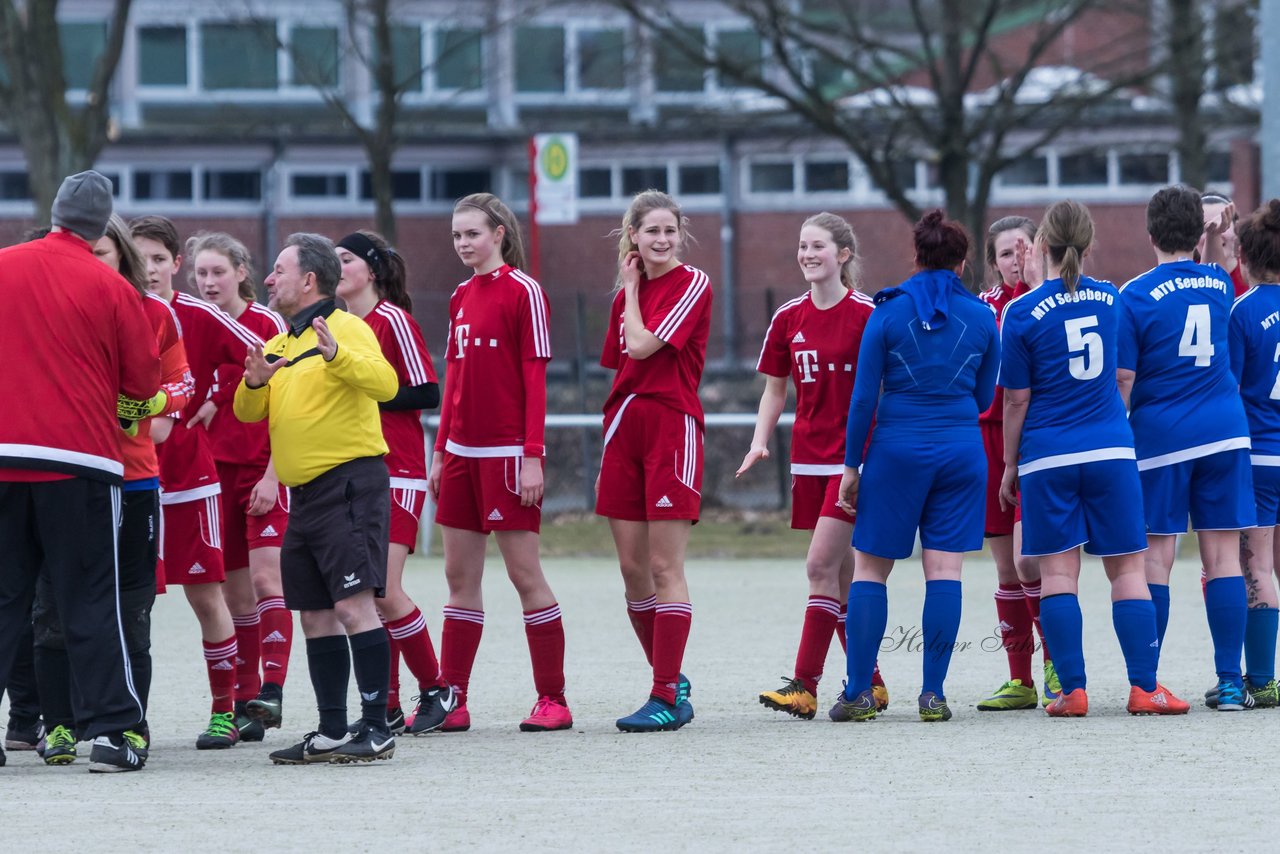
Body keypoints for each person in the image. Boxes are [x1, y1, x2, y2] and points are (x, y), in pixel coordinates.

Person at [998, 200, 1188, 717]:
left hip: (1047, 456)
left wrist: (1011, 465)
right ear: (1089, 244)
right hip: (1110, 449)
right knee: (1128, 572)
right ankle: (1145, 689)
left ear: (1041, 247)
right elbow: (1125, 377)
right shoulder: (1113, 298)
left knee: (1059, 577)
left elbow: (1016, 400)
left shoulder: (1019, 312)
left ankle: (1072, 692)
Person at [0, 170, 159, 772]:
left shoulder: (4, 264)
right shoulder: (114, 287)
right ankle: (115, 734)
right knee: (91, 597)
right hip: (81, 463)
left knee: (4, 599)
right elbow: (141, 385)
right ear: (102, 227)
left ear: (55, 211)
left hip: (3, 455)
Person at [35, 214, 194, 765]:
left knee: (132, 612)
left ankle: (131, 725)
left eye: (101, 253)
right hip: (69, 479)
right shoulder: (53, 307)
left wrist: (153, 403)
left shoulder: (153, 313)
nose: (89, 262)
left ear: (120, 257)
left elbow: (182, 385)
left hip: (134, 482)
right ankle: (56, 725)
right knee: (52, 605)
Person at [236, 233, 400, 763]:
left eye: (278, 269)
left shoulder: (349, 327)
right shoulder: (280, 342)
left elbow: (386, 384)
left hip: (349, 484)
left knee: (354, 607)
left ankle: (376, 726)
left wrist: (335, 355)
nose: (268, 278)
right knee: (314, 615)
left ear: (308, 279)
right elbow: (245, 412)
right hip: (303, 498)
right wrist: (256, 382)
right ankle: (332, 729)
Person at [831, 209, 999, 723]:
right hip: (960, 449)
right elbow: (985, 394)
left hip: (896, 449)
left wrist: (851, 466)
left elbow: (863, 400)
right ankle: (932, 694)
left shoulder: (885, 313)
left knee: (870, 570)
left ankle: (859, 692)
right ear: (964, 262)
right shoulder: (982, 317)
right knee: (945, 570)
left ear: (915, 256)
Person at [429, 193, 571, 733]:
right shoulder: (461, 295)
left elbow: (535, 381)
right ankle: (453, 699)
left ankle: (553, 699)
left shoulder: (525, 292)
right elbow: (455, 378)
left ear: (499, 235)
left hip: (508, 457)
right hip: (461, 455)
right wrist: (441, 451)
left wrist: (532, 456)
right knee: (457, 577)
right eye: (457, 235)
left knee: (523, 574)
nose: (464, 244)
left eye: (472, 234)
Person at [739, 212, 886, 719]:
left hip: (854, 463)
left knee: (819, 567)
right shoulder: (787, 318)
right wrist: (760, 441)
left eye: (818, 246)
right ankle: (872, 683)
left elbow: (888, 391)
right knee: (839, 577)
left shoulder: (868, 314)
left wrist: (872, 459)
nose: (807, 254)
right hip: (808, 459)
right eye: (802, 246)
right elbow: (775, 388)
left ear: (843, 255)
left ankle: (805, 684)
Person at [1118, 185, 1255, 711]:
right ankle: (1229, 682)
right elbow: (1223, 266)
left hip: (1161, 436)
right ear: (1198, 236)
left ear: (1150, 234)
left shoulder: (1132, 295)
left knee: (1158, 557)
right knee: (1222, 558)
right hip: (1224, 430)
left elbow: (1125, 375)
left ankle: (1149, 682)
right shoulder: (1219, 283)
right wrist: (1219, 235)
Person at [130, 215, 263, 749]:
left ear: (175, 265)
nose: (150, 270)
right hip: (130, 481)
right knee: (129, 603)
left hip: (190, 482)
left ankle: (224, 711)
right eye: (140, 260)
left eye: (160, 260)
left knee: (208, 598)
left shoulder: (197, 313)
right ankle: (126, 715)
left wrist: (221, 391)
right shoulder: (117, 311)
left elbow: (266, 346)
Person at [596, 190, 712, 732]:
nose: (661, 240)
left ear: (679, 234)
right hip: (625, 426)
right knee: (632, 572)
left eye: (669, 230)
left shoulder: (693, 283)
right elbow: (616, 362)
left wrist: (633, 291)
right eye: (651, 232)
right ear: (634, 237)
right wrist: (631, 292)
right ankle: (672, 682)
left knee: (666, 567)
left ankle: (664, 694)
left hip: (672, 425)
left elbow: (640, 347)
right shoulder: (628, 295)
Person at [335, 229, 451, 734]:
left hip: (397, 470)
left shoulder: (392, 320)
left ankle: (437, 688)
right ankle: (388, 703)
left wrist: (362, 392)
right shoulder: (335, 327)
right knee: (365, 595)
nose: (337, 266)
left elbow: (427, 391)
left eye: (346, 259)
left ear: (372, 269)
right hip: (353, 473)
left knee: (384, 590)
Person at [188, 232, 293, 742]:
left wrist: (275, 474)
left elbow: (288, 403)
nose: (209, 282)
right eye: (202, 274)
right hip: (214, 475)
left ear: (242, 274)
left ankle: (271, 690)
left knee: (267, 579)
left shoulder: (266, 325)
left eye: (219, 273)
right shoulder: (188, 324)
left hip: (263, 470)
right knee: (234, 598)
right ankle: (243, 706)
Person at [976, 216, 1057, 711]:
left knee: (1036, 561)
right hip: (989, 439)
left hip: (1038, 441)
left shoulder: (1049, 304)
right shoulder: (985, 309)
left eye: (1024, 249)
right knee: (1007, 567)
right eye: (1006, 253)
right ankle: (1020, 678)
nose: (1016, 260)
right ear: (993, 262)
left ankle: (1057, 662)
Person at [1225, 199, 1280, 708]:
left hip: (1261, 456)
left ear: (1245, 257)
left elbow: (1231, 388)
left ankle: (1261, 680)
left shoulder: (1244, 310)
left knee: (1257, 564)